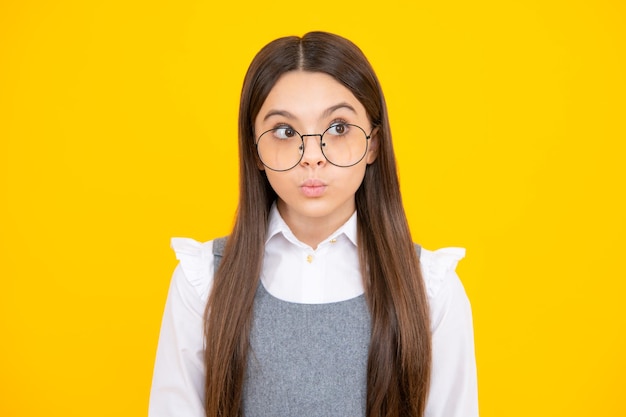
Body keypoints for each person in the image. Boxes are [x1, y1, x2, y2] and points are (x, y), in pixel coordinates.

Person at [149, 31, 478, 417]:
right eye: (285, 132)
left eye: (338, 127)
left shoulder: (431, 289)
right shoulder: (202, 281)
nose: (311, 157)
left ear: (373, 143)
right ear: (254, 149)